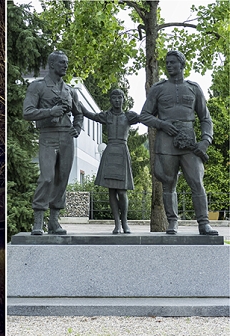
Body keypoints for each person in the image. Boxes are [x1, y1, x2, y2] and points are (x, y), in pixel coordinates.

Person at [139, 50, 218, 235]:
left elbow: (205, 118)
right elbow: (144, 115)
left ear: (182, 64)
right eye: (167, 62)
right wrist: (162, 124)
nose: (168, 65)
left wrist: (205, 140)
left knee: (197, 182)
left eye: (173, 62)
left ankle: (203, 223)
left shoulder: (194, 88)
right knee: (168, 183)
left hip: (189, 142)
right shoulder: (158, 89)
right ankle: (172, 221)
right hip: (165, 142)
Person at [23, 50, 83, 235]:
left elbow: (79, 113)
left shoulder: (70, 90)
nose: (65, 65)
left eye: (66, 62)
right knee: (47, 177)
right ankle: (38, 221)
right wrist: (50, 112)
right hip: (47, 135)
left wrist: (77, 127)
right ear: (51, 65)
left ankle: (54, 222)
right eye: (62, 62)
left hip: (66, 136)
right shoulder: (38, 86)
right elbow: (27, 112)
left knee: (62, 179)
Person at [82, 89, 139, 234]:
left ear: (123, 100)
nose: (117, 101)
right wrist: (78, 105)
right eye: (114, 98)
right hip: (110, 151)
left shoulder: (128, 116)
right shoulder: (106, 116)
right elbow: (90, 115)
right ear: (110, 100)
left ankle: (125, 223)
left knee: (122, 190)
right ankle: (117, 224)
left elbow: (145, 117)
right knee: (112, 190)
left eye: (120, 98)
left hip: (122, 151)